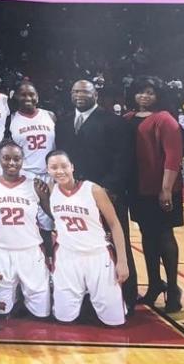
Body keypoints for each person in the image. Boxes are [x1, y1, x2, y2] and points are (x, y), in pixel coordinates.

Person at [53, 79, 138, 314]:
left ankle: (127, 296)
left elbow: (124, 160)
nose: (79, 94)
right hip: (73, 195)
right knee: (80, 246)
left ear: (95, 94)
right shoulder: (63, 122)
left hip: (106, 194)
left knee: (116, 243)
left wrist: (109, 188)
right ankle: (86, 298)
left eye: (85, 91)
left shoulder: (115, 122)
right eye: (75, 90)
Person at [46, 150, 128, 326]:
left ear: (72, 167)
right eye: (54, 167)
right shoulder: (50, 191)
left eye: (64, 166)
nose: (60, 171)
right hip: (67, 257)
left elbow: (115, 225)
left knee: (114, 321)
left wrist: (122, 261)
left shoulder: (93, 189)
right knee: (63, 318)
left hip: (97, 255)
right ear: (47, 170)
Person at [123, 77, 184, 312]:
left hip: (161, 189)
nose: (144, 97)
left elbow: (173, 156)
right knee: (148, 236)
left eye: (149, 93)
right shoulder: (127, 118)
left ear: (158, 95)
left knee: (165, 236)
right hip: (138, 188)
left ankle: (174, 288)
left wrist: (166, 188)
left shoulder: (165, 119)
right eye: (140, 93)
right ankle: (155, 285)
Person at [0, 141, 53, 319]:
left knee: (42, 313)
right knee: (0, 311)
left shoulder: (36, 186)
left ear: (23, 160)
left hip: (30, 251)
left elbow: (55, 217)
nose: (12, 163)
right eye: (6, 158)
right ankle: (15, 299)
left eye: (17, 159)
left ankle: (23, 300)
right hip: (0, 252)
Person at [8, 81, 56, 181]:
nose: (28, 98)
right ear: (16, 97)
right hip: (26, 173)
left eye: (31, 94)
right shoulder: (11, 119)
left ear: (37, 96)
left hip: (51, 172)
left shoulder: (50, 115)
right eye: (23, 95)